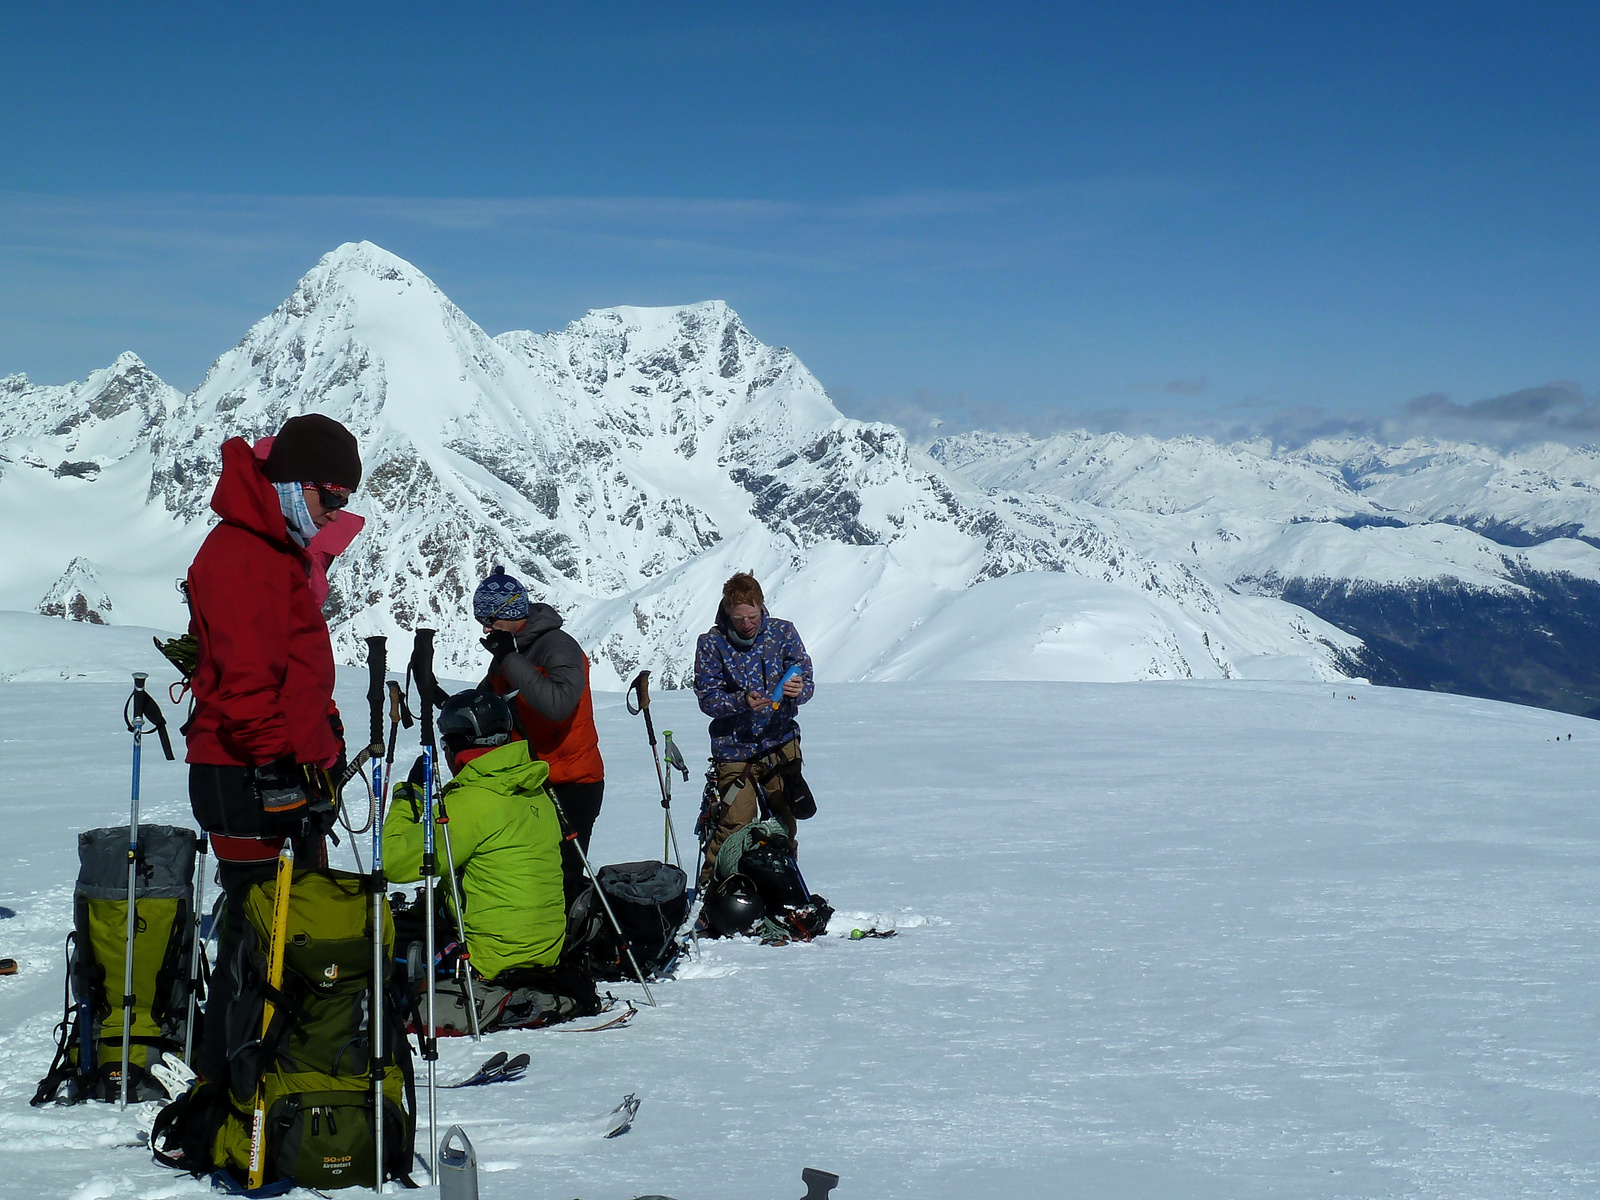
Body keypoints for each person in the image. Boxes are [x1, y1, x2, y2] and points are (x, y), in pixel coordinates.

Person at [183, 412, 362, 1084]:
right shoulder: (242, 554)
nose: (334, 512)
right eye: (331, 497)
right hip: (244, 773)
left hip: (272, 768)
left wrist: (322, 735)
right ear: (293, 483)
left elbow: (290, 671)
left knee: (270, 934)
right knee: (258, 938)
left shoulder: (270, 547)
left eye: (344, 500)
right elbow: (246, 679)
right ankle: (237, 1086)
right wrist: (276, 769)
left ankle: (260, 1073)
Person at [383, 689, 593, 1032]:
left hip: (491, 959)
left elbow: (395, 862)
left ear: (457, 746)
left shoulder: (470, 802)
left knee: (392, 935)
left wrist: (409, 797)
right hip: (546, 952)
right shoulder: (534, 788)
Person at [473, 567, 605, 904]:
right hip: (534, 779)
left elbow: (557, 704)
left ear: (512, 614)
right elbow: (489, 699)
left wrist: (509, 659)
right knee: (532, 872)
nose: (485, 628)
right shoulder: (511, 649)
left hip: (573, 781)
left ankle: (569, 947)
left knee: (563, 877)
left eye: (490, 619)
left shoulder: (557, 646)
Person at [692, 571, 815, 890]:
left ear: (762, 607)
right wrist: (741, 702)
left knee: (784, 823)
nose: (747, 623)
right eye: (739, 618)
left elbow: (808, 680)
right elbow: (707, 698)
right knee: (734, 823)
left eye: (752, 616)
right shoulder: (712, 644)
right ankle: (711, 893)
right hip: (734, 749)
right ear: (727, 613)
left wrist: (797, 690)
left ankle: (784, 890)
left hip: (781, 746)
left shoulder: (783, 633)